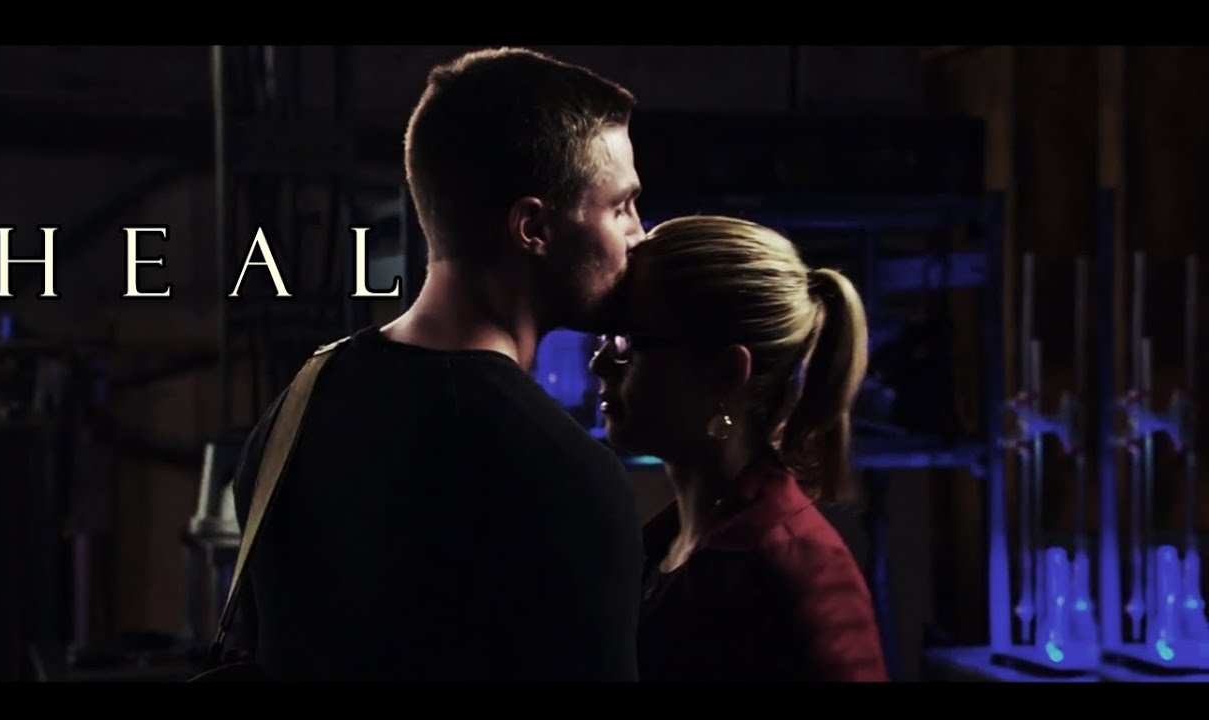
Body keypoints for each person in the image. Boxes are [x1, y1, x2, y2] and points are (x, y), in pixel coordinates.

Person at [229, 47, 647, 681]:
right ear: (532, 228)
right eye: (620, 207)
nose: (638, 233)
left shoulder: (295, 410)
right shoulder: (565, 475)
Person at [589, 215, 889, 681]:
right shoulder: (665, 544)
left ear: (727, 375)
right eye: (607, 336)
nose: (600, 362)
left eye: (629, 342)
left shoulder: (802, 568)